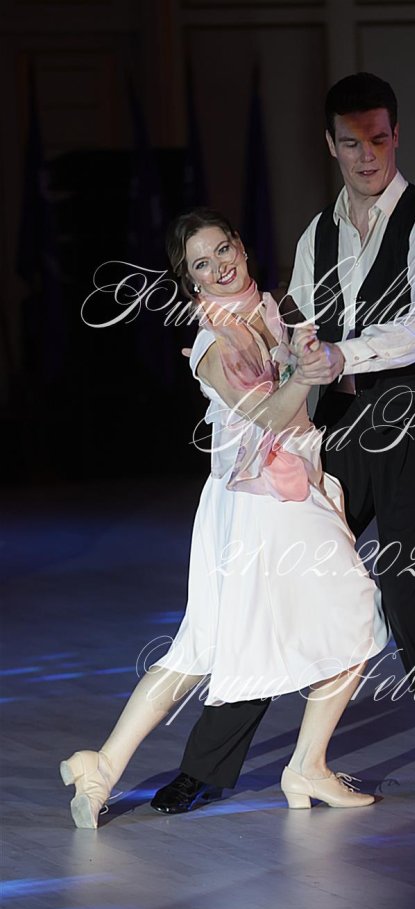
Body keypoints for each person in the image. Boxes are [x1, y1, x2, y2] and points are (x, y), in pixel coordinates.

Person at [153, 73, 415, 815]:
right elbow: (302, 326)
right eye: (352, 142)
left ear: (396, 136)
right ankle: (205, 769)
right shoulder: (318, 233)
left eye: (379, 138)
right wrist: (277, 362)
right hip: (344, 428)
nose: (367, 154)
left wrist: (341, 356)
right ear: (331, 145)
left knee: (407, 594)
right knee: (278, 580)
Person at [59, 207, 389, 828]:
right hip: (265, 499)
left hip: (261, 495)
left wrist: (305, 355)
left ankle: (102, 765)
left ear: (240, 245)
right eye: (201, 265)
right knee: (358, 609)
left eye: (223, 251)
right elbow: (269, 416)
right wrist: (307, 371)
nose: (218, 268)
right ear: (190, 280)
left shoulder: (270, 311)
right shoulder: (214, 344)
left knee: (200, 644)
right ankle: (308, 766)